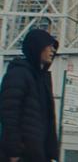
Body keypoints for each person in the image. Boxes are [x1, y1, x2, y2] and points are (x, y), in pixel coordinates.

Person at [0, 29, 59, 162]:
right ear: (37, 47)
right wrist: (14, 152)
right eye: (49, 46)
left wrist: (50, 154)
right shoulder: (18, 74)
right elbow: (9, 115)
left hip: (38, 154)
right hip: (22, 155)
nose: (53, 51)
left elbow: (47, 121)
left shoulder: (42, 79)